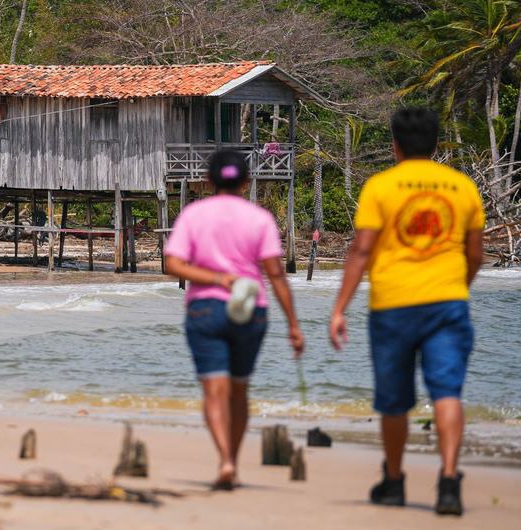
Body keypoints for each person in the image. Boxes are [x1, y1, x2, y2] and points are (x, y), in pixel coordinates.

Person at [329, 107, 484, 516]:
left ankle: (394, 482)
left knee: (394, 401)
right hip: (448, 305)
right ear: (436, 143)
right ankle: (449, 482)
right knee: (448, 393)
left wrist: (339, 309)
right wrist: (457, 288)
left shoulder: (381, 187)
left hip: (392, 306)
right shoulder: (462, 187)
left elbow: (361, 250)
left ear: (394, 144)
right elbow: (475, 255)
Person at [164, 149, 304, 490]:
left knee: (214, 392)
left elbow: (173, 264)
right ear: (246, 180)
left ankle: (225, 461)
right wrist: (294, 325)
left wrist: (213, 279)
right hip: (251, 309)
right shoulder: (260, 218)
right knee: (239, 390)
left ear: (209, 180)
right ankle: (233, 461)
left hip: (205, 308)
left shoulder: (194, 214)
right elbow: (276, 275)